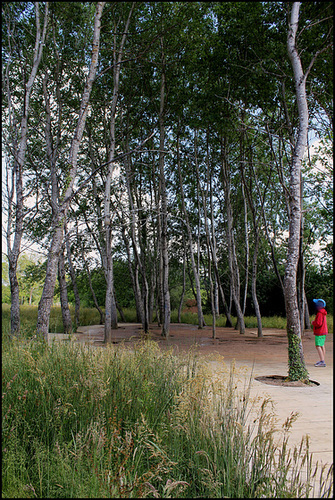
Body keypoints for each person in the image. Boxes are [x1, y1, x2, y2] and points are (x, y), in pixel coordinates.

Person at [311, 299, 328, 367]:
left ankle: (322, 361)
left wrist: (313, 322)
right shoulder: (323, 312)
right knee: (322, 345)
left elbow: (318, 323)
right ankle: (322, 360)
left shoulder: (320, 313)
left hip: (320, 332)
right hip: (324, 332)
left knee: (318, 346)